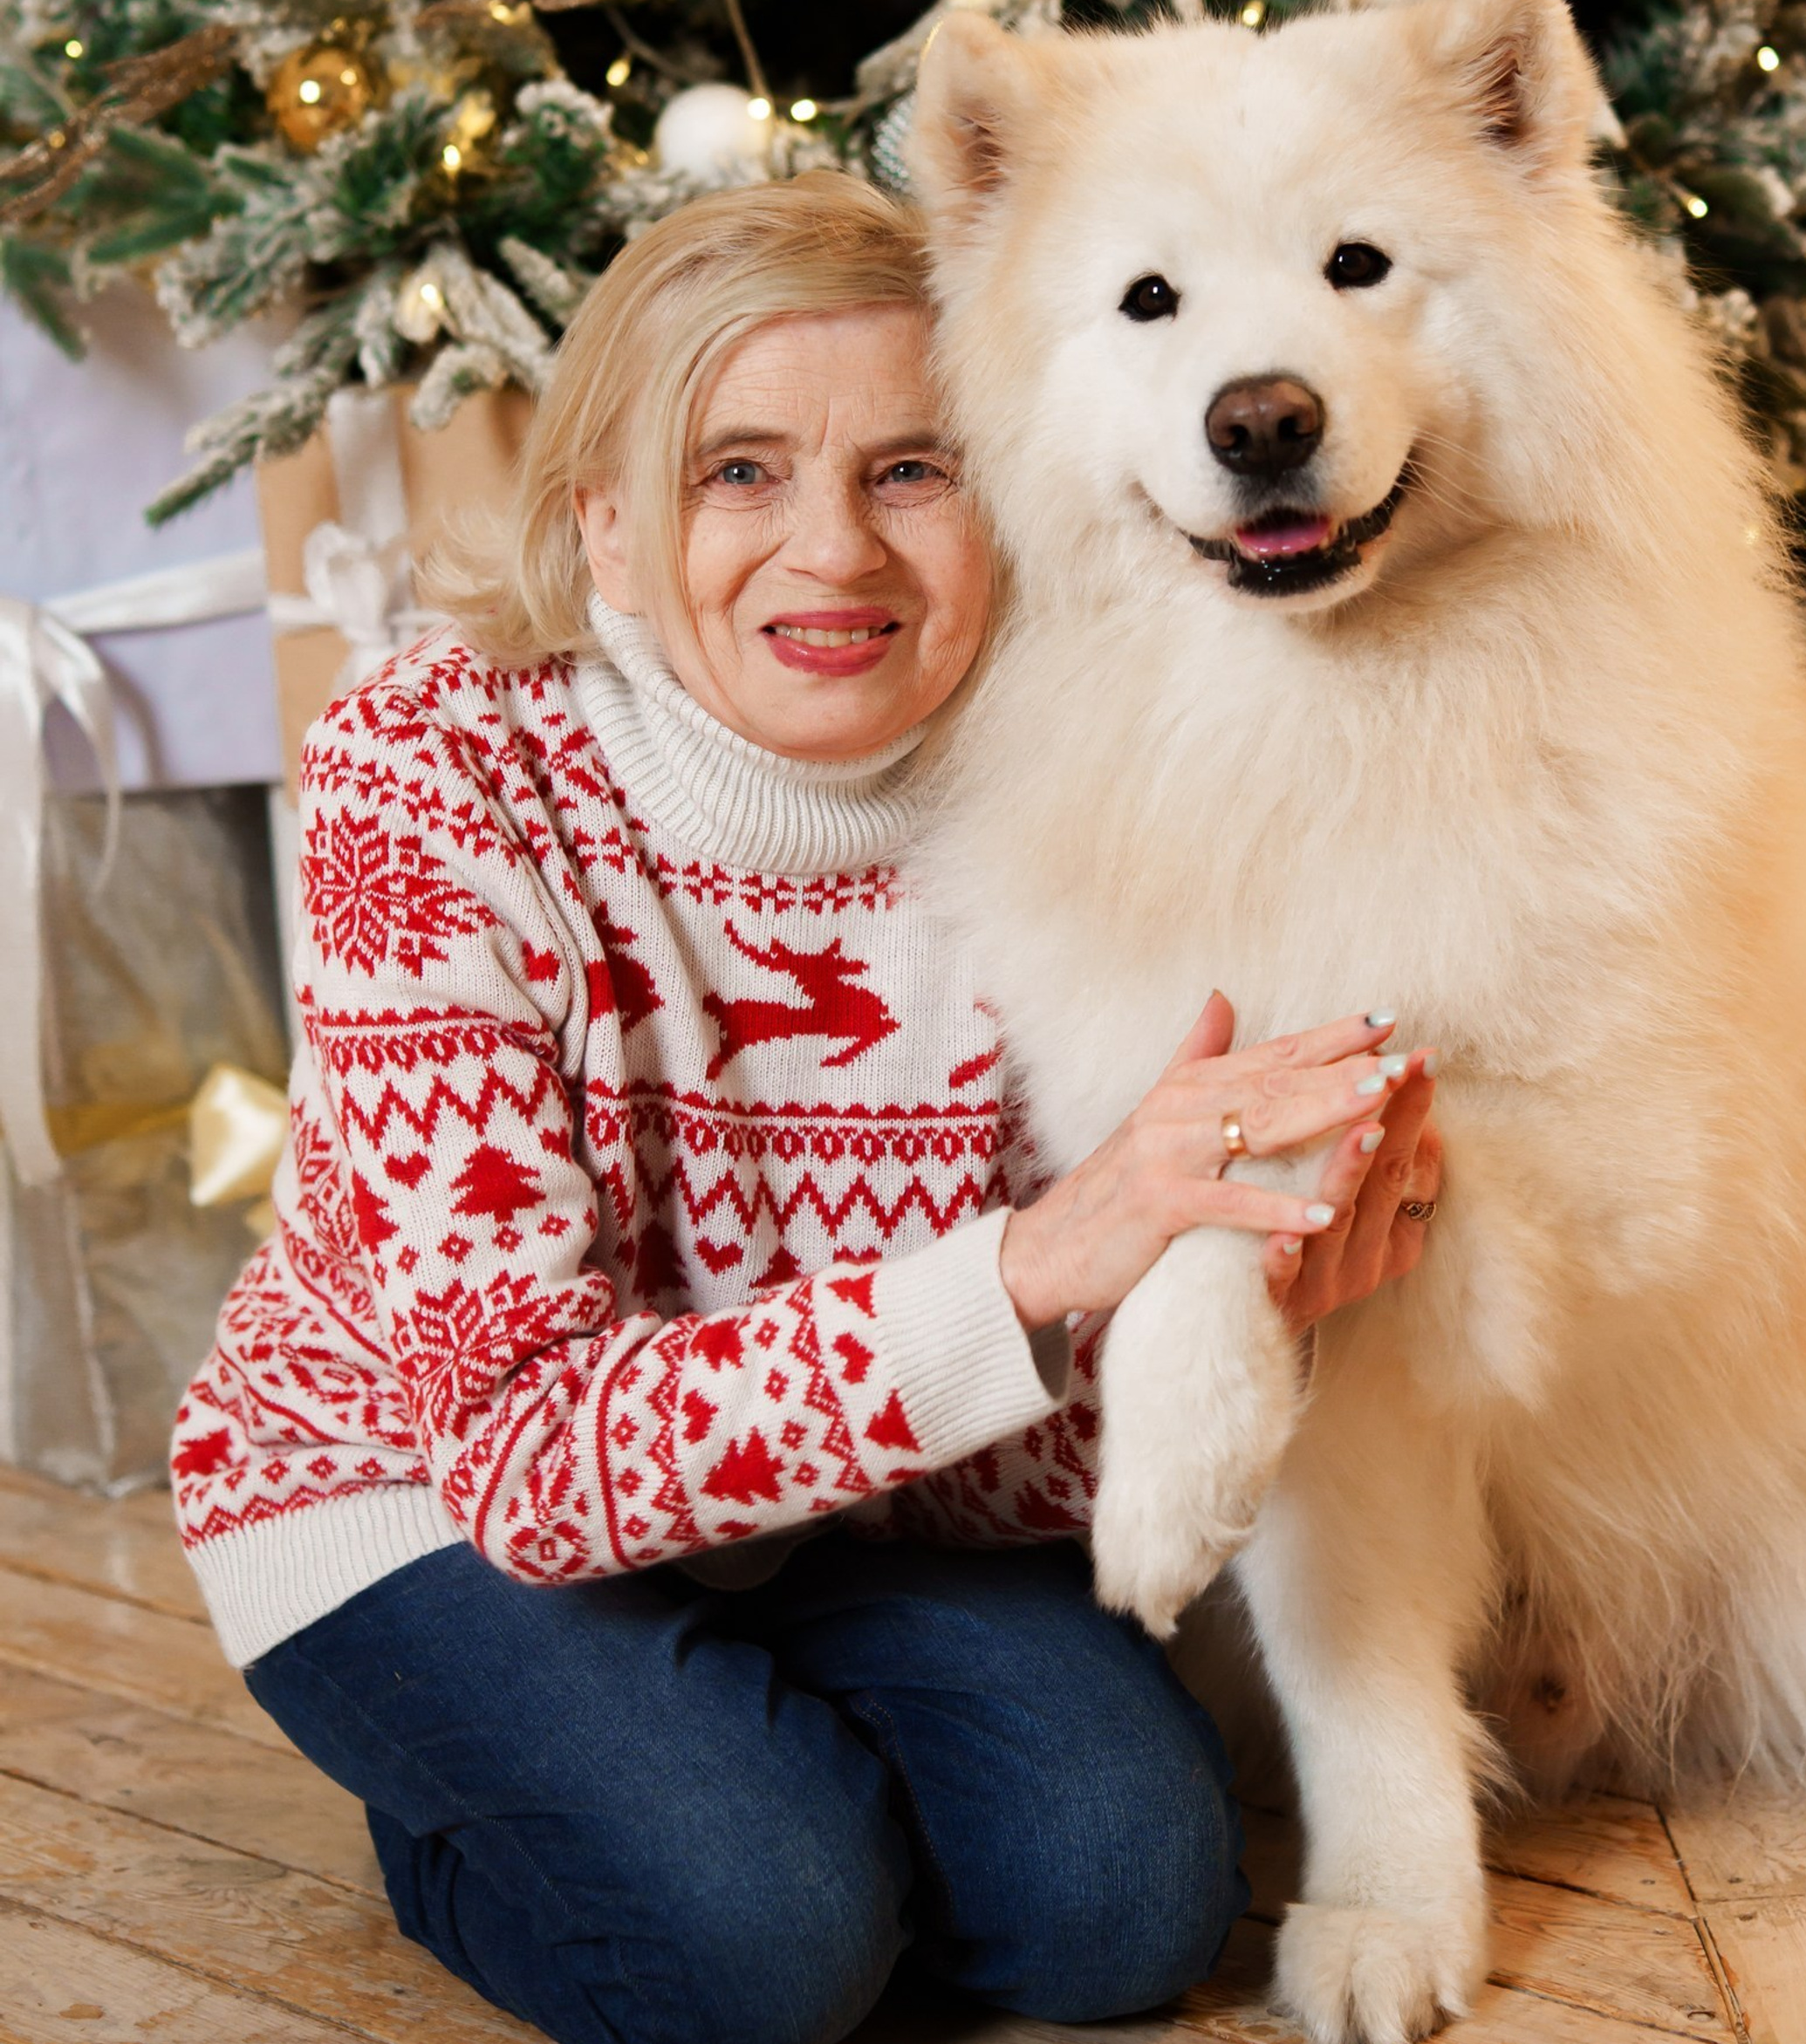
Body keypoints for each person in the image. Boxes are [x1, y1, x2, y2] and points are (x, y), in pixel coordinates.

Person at [170, 173, 1443, 2044]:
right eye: (738, 471)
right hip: (422, 1495)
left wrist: (1235, 1332)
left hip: (850, 1510)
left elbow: (1007, 1426)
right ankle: (492, 1810)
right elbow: (525, 1454)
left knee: (1129, 1902)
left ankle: (720, 1753)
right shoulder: (426, 774)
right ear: (606, 524)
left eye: (914, 469)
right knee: (758, 1946)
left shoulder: (1066, 798)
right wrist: (1036, 1269)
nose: (831, 550)